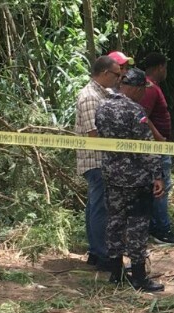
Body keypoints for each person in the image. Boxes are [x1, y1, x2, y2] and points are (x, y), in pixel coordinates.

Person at [96, 68, 165, 292]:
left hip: (112, 176)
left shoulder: (102, 107)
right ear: (135, 88)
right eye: (143, 90)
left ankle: (116, 274)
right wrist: (157, 175)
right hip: (136, 179)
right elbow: (146, 148)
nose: (144, 94)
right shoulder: (136, 111)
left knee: (114, 223)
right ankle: (139, 277)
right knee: (137, 226)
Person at [74, 55, 122, 271]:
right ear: (104, 73)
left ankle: (95, 252)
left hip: (100, 159)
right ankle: (103, 256)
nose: (118, 79)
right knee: (101, 208)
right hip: (96, 160)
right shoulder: (90, 97)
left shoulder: (102, 93)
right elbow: (94, 133)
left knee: (95, 206)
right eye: (116, 75)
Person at [139, 52, 174, 245]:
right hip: (156, 148)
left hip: (157, 146)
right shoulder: (149, 88)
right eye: (165, 67)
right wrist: (159, 137)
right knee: (161, 187)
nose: (166, 71)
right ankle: (161, 231)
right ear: (159, 67)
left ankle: (154, 226)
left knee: (158, 187)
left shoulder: (151, 87)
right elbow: (142, 116)